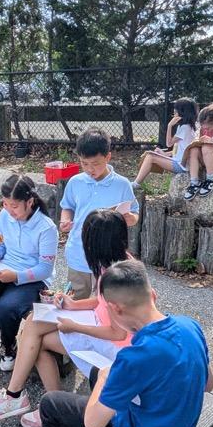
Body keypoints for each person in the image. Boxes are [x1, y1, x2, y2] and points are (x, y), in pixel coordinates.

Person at [14, 259, 213, 427]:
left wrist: (105, 379)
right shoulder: (190, 326)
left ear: (115, 309)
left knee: (51, 404)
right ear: (153, 294)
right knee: (99, 372)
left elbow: (92, 424)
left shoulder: (133, 358)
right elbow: (208, 384)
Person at [0, 210, 132, 427]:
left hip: (113, 346)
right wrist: (72, 304)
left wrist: (75, 326)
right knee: (34, 323)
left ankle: (20, 397)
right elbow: (101, 301)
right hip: (98, 324)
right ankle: (40, 402)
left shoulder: (118, 278)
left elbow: (119, 333)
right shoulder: (115, 262)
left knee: (36, 338)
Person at [0, 174, 58, 371]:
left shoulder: (46, 228)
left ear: (29, 202)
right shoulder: (6, 214)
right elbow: (0, 245)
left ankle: (9, 346)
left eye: (14, 206)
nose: (8, 209)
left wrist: (16, 276)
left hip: (32, 278)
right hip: (4, 269)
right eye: (5, 204)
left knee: (6, 308)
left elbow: (45, 269)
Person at [60, 127, 139, 300]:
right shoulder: (75, 182)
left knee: (105, 299)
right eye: (84, 163)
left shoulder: (122, 184)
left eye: (95, 164)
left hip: (108, 254)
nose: (90, 169)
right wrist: (65, 220)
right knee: (76, 297)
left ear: (108, 157)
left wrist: (130, 219)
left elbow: (134, 213)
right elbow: (67, 206)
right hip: (78, 252)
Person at [132, 97, 198, 188]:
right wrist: (164, 154)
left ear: (183, 112)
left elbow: (168, 144)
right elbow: (181, 150)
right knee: (151, 155)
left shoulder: (185, 128)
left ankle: (135, 184)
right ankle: (136, 183)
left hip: (181, 166)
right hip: (179, 162)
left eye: (176, 109)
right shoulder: (187, 126)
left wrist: (169, 125)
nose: (174, 111)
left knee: (150, 157)